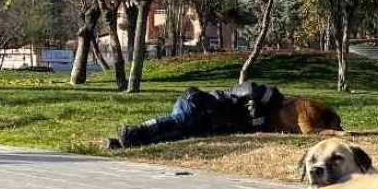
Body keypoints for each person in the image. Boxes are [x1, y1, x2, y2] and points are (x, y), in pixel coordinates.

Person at [104, 82, 284, 149]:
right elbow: (251, 90)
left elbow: (251, 127)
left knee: (174, 135)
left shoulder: (259, 119)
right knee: (176, 120)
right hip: (197, 104)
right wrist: (255, 103)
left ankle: (126, 143)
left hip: (204, 123)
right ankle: (134, 130)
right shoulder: (245, 92)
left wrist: (257, 116)